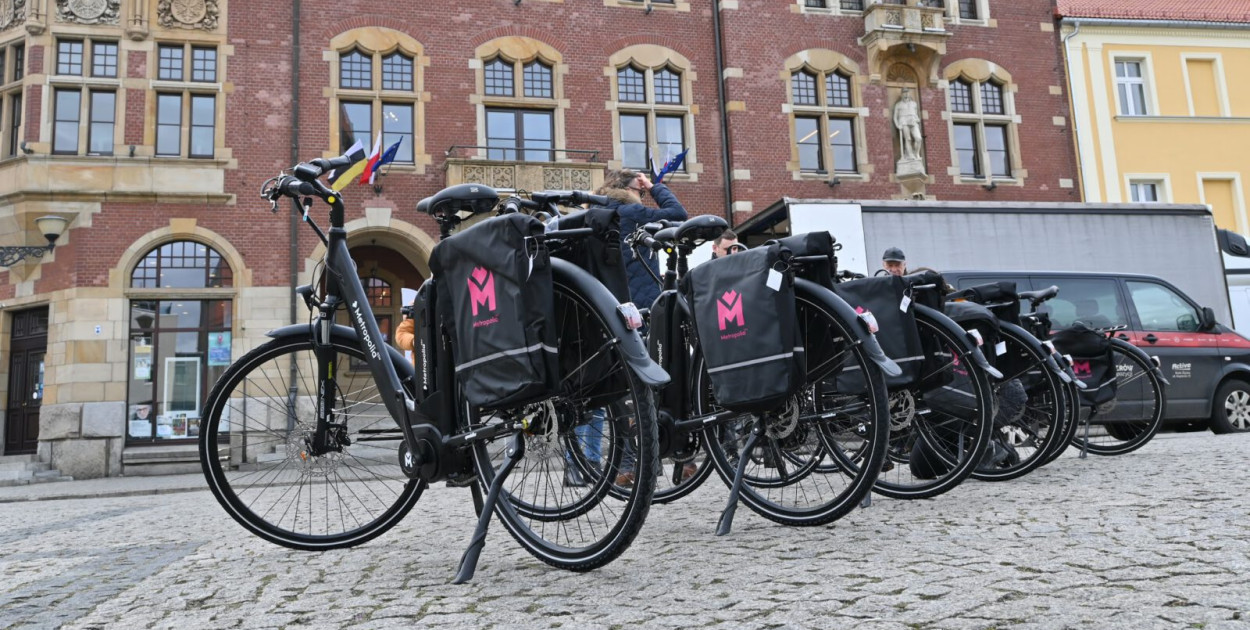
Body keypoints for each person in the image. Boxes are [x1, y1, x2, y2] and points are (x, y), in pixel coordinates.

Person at [597, 169, 688, 487]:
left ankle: (628, 464)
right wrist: (655, 186)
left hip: (613, 307)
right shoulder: (631, 212)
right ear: (631, 188)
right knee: (662, 376)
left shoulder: (599, 216)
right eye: (640, 188)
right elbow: (678, 215)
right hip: (647, 307)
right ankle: (681, 457)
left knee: (626, 388)